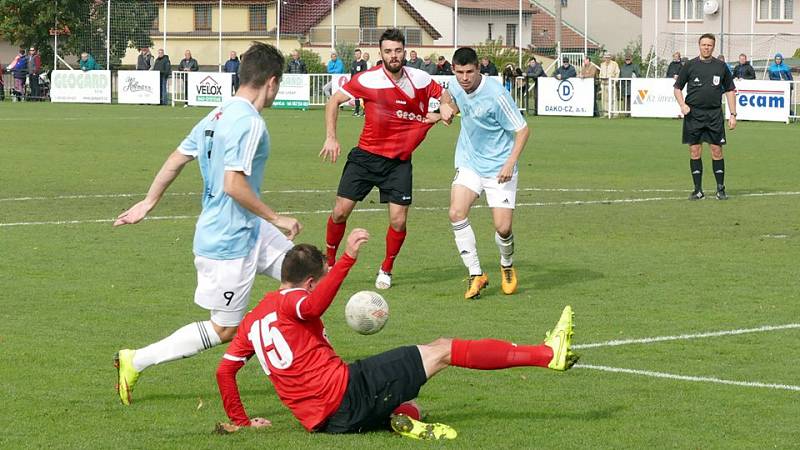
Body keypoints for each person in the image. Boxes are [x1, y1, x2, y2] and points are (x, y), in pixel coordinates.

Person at [214, 228, 579, 438]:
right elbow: (310, 307)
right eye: (320, 280)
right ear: (310, 281)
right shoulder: (295, 300)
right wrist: (348, 260)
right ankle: (548, 355)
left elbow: (224, 371)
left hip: (325, 423)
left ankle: (395, 420)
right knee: (443, 349)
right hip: (346, 392)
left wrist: (242, 421)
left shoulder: (254, 317)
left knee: (413, 404)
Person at [113, 43, 302, 406]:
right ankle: (135, 359)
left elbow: (175, 159)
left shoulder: (216, 114)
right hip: (228, 240)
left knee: (306, 277)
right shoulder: (249, 122)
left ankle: (302, 366)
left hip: (249, 230)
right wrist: (277, 217)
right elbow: (234, 185)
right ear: (273, 82)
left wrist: (149, 202)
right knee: (224, 328)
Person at [319, 28, 451, 290]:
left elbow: (445, 97)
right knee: (339, 212)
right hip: (365, 158)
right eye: (388, 51)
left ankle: (386, 269)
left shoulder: (421, 78)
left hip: (398, 162)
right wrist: (331, 137)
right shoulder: (367, 79)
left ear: (404, 52)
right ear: (380, 54)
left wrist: (445, 107)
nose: (393, 56)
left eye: (398, 51)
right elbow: (334, 100)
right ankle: (330, 262)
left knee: (399, 220)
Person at [439, 47, 530, 299]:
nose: (464, 78)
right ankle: (476, 273)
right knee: (456, 212)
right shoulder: (455, 84)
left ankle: (506, 264)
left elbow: (522, 130)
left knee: (503, 228)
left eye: (469, 72)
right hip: (469, 162)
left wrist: (510, 163)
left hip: (499, 167)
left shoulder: (496, 95)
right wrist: (445, 105)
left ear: (479, 69)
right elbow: (447, 93)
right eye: (460, 72)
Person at [674, 33, 736, 201]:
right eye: (704, 45)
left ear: (713, 47)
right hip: (694, 115)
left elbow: (730, 90)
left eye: (709, 45)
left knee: (716, 150)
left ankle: (720, 189)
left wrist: (733, 114)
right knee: (695, 150)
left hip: (714, 114)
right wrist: (682, 105)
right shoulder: (689, 65)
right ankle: (698, 190)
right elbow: (677, 88)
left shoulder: (721, 66)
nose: (706, 47)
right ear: (699, 46)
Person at [350, 49, 368, 116]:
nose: (357, 55)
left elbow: (364, 72)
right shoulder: (353, 63)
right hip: (355, 82)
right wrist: (351, 81)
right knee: (356, 97)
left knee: (363, 97)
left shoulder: (363, 62)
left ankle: (364, 111)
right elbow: (352, 73)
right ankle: (356, 111)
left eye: (358, 54)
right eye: (356, 54)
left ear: (360, 54)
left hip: (361, 82)